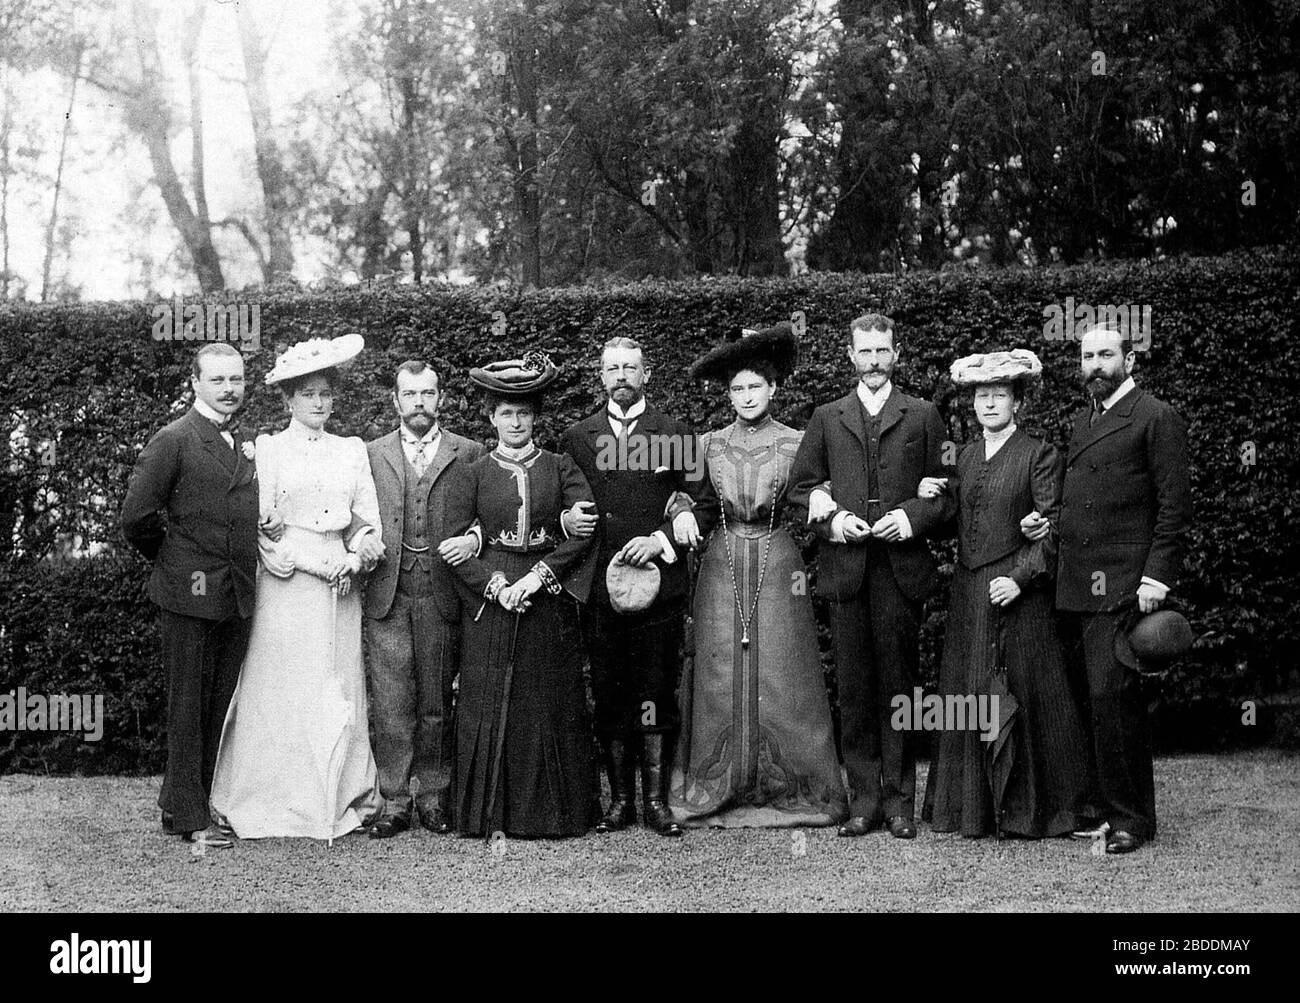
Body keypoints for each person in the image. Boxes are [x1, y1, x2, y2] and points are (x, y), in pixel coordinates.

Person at [669, 324, 847, 828]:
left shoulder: (798, 441)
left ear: (773, 389)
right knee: (719, 666)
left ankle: (793, 782)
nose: (747, 397)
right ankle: (717, 779)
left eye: (756, 387)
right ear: (729, 395)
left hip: (779, 559)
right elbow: (691, 497)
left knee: (783, 665)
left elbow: (815, 491)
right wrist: (681, 509)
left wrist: (825, 503)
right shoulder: (706, 444)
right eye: (737, 389)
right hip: (721, 560)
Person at [1024, 324, 1191, 854]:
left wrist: (1156, 577)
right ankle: (1101, 807)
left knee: (1112, 699)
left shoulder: (1155, 417)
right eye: (1087, 356)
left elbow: (1174, 507)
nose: (1095, 365)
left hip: (1122, 586)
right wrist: (1046, 527)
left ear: (1129, 359)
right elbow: (1081, 503)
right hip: (1074, 584)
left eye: (1105, 355)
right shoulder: (1083, 421)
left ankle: (1130, 820)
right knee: (1088, 701)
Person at [788, 313, 954, 839]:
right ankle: (863, 801)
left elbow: (949, 490)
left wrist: (911, 517)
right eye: (866, 352)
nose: (875, 361)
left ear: (896, 354)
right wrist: (833, 519)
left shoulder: (925, 415)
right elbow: (801, 489)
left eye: (884, 351)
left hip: (901, 571)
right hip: (846, 571)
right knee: (856, 690)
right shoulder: (826, 416)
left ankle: (900, 802)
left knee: (900, 688)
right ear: (851, 356)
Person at [210, 335, 383, 841]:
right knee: (281, 685)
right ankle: (271, 799)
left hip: (341, 585)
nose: (319, 403)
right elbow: (262, 527)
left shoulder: (351, 451)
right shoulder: (267, 450)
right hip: (287, 584)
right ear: (288, 400)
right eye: (308, 394)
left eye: (326, 394)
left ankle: (335, 796)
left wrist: (355, 555)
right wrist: (310, 563)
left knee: (335, 683)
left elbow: (367, 522)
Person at [919, 349, 1093, 838]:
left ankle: (1036, 811)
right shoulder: (967, 455)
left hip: (1020, 594)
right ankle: (970, 810)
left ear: (1017, 402)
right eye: (981, 396)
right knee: (968, 691)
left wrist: (1019, 578)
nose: (989, 404)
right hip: (970, 592)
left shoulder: (1039, 454)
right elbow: (959, 522)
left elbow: (1054, 527)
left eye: (999, 395)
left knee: (1029, 693)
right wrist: (935, 496)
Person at [559, 337, 717, 837]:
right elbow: (560, 505)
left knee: (654, 690)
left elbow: (704, 503)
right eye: (613, 369)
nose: (622, 375)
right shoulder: (578, 437)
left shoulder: (673, 433)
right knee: (608, 691)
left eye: (631, 367)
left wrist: (661, 538)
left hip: (658, 586)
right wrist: (566, 518)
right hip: (601, 588)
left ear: (646, 374)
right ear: (601, 377)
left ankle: (656, 802)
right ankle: (620, 802)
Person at [442, 353, 599, 838]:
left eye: (524, 413)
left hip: (544, 590)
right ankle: (489, 814)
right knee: (489, 698)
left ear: (535, 418)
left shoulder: (560, 465)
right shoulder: (471, 471)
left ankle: (555, 814)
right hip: (492, 591)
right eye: (506, 413)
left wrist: (539, 577)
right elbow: (451, 544)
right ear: (491, 417)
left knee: (547, 698)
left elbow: (585, 528)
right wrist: (495, 585)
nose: (515, 422)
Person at [121, 343, 259, 849]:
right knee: (188, 706)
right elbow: (135, 518)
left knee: (215, 704)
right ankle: (189, 818)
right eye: (219, 380)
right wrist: (176, 560)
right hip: (188, 595)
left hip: (235, 595)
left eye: (237, 380)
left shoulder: (240, 440)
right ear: (195, 384)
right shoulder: (173, 440)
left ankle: (182, 802)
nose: (229, 389)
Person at [362, 361, 484, 839]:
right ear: (395, 401)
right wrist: (362, 536)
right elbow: (352, 510)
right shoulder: (371, 454)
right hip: (388, 590)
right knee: (392, 699)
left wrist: (473, 539)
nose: (419, 403)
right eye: (410, 395)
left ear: (441, 399)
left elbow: (486, 513)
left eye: (428, 394)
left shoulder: (469, 452)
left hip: (441, 591)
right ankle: (394, 799)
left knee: (436, 699)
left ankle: (433, 795)